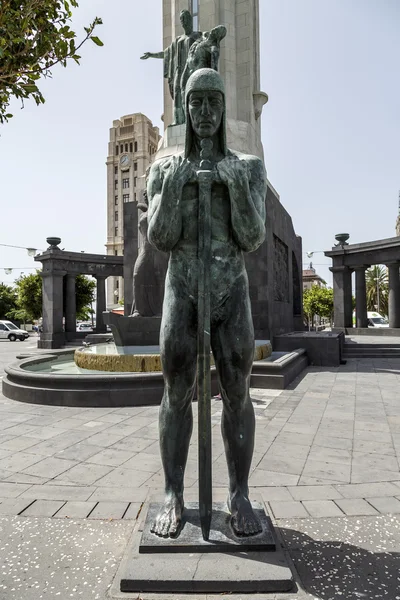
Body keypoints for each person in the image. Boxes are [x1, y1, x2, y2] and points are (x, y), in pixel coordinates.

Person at [147, 68, 267, 539]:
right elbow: (160, 237)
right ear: (184, 107)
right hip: (182, 288)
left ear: (223, 107)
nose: (204, 113)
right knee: (176, 394)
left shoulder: (249, 166)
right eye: (195, 103)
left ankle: (239, 493)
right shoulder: (164, 167)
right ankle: (173, 493)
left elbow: (253, 237)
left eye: (212, 103)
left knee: (237, 394)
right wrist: (177, 185)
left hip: (230, 290)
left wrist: (233, 184)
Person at [141, 10, 202, 125]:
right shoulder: (178, 40)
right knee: (177, 96)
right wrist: (151, 55)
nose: (183, 22)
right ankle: (178, 120)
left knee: (188, 95)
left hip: (191, 71)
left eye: (185, 18)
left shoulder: (197, 36)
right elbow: (166, 53)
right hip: (178, 72)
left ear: (190, 20)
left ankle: (191, 120)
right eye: (181, 19)